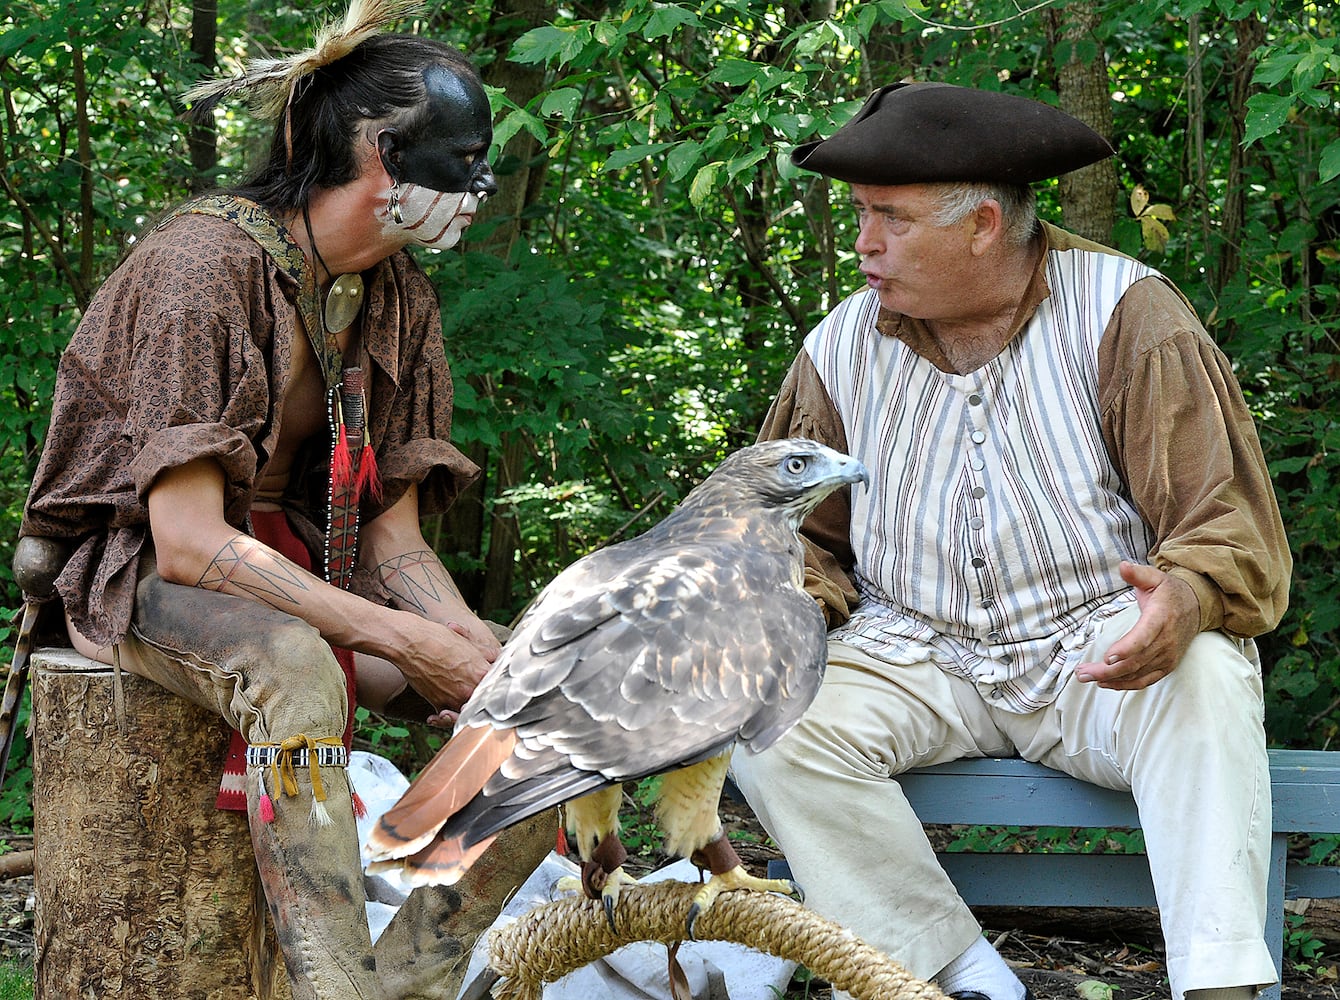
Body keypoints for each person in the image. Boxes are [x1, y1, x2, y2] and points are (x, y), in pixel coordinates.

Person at [17, 5, 554, 998]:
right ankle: (333, 984)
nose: (479, 186)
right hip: (145, 570)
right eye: (462, 158)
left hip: (300, 560)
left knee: (544, 711)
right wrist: (401, 643)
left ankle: (408, 979)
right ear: (380, 154)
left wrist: (466, 648)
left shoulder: (396, 295)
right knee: (296, 667)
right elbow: (184, 541)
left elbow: (391, 539)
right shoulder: (202, 266)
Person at [730, 81, 1291, 1000]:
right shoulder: (837, 347)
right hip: (915, 650)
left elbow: (1227, 523)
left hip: (1098, 649)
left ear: (984, 223)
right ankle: (954, 975)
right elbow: (789, 538)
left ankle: (1218, 982)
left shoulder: (1129, 316)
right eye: (862, 215)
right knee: (771, 717)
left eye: (890, 219)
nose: (863, 243)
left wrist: (1183, 599)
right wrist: (781, 608)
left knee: (1206, 671)